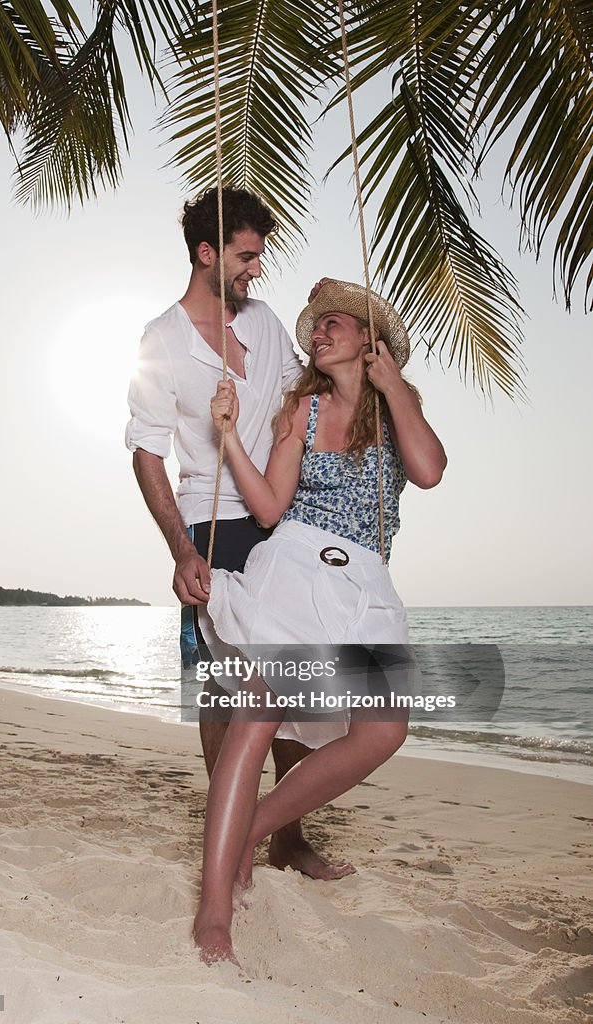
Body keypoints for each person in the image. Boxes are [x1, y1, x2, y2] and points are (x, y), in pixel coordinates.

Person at [193, 278, 447, 964]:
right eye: (316, 326)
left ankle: (252, 830)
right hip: (296, 565)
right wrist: (227, 438)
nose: (319, 331)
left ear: (370, 340)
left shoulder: (398, 409)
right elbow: (271, 508)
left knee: (384, 730)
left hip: (363, 582)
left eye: (336, 323)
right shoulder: (300, 409)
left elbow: (428, 471)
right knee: (257, 717)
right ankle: (214, 915)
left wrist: (394, 388)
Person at [125, 188, 352, 879]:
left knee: (292, 682)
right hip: (212, 524)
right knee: (223, 689)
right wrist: (182, 549)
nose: (256, 270)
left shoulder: (264, 320)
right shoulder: (161, 339)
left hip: (281, 522)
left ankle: (286, 835)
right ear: (206, 254)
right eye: (246, 256)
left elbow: (299, 399)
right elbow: (146, 450)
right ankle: (230, 840)